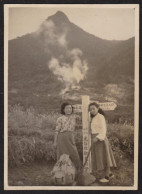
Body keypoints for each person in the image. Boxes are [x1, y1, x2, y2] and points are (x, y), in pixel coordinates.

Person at [88, 102, 117, 183]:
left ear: (97, 108)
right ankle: (110, 174)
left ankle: (107, 177)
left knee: (104, 158)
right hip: (95, 139)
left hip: (100, 140)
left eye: (93, 108)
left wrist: (97, 137)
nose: (92, 110)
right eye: (90, 109)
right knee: (101, 157)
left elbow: (103, 130)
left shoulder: (101, 117)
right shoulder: (93, 118)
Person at [53, 102, 81, 172]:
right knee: (62, 155)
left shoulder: (74, 117)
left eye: (70, 108)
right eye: (67, 108)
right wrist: (55, 142)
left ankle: (77, 171)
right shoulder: (60, 119)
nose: (69, 110)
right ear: (63, 110)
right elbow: (56, 131)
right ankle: (61, 172)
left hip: (70, 137)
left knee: (74, 153)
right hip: (62, 137)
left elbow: (81, 118)